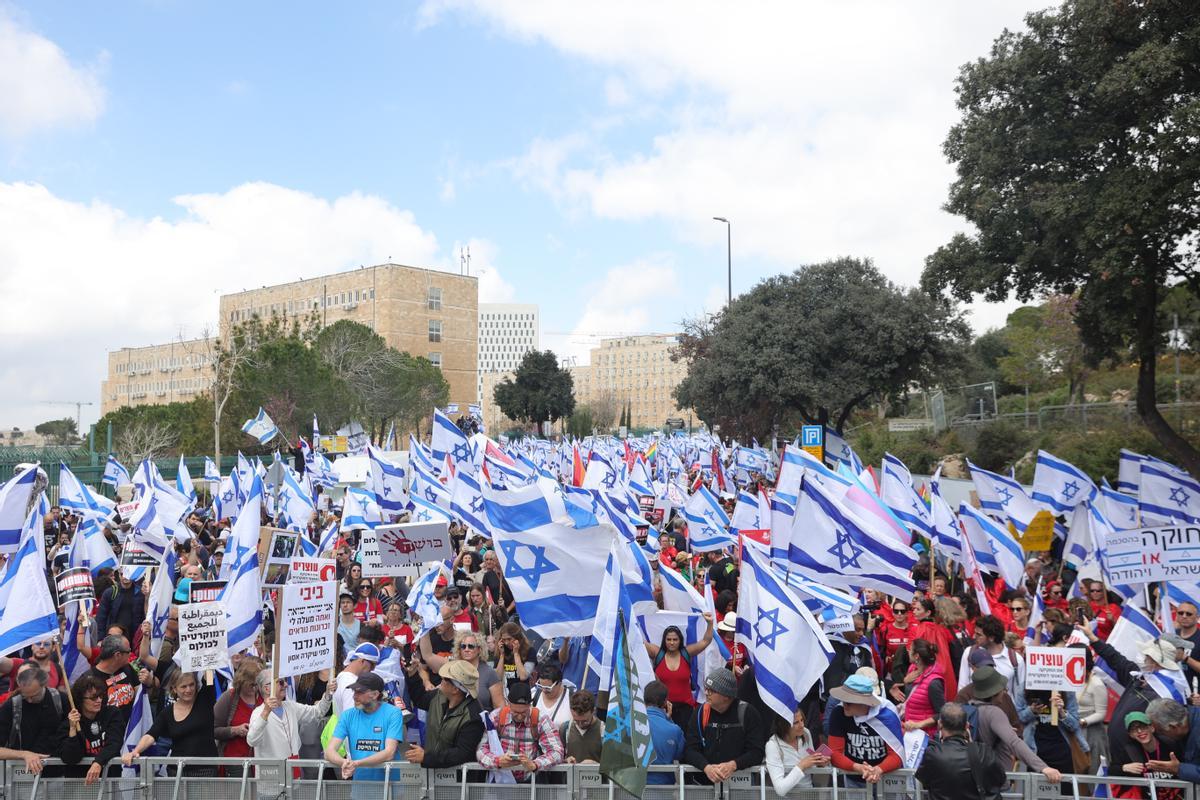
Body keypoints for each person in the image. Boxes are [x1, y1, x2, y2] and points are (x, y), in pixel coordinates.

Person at [1079, 624, 1190, 777]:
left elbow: (1168, 734)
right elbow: (1117, 660)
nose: (1143, 658)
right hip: (1120, 756)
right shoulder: (1139, 678)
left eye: (1147, 656)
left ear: (1155, 661)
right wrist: (1093, 638)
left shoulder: (1166, 694)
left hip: (1141, 764)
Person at [965, 665, 1062, 783]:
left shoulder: (969, 708)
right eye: (1003, 688)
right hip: (993, 780)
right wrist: (1043, 767)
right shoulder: (994, 713)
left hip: (974, 776)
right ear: (994, 692)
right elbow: (1014, 742)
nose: (1005, 690)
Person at [246, 668, 334, 797]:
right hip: (271, 783)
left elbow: (317, 712)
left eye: (285, 681)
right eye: (281, 682)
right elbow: (251, 740)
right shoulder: (258, 713)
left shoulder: (290, 706)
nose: (286, 685)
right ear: (266, 688)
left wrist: (327, 694)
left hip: (293, 778)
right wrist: (266, 713)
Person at [324, 672, 406, 796]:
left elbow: (389, 753)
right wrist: (344, 763)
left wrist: (356, 763)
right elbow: (329, 751)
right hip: (360, 790)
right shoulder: (348, 715)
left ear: (375, 694)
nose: (354, 697)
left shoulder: (393, 713)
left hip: (389, 789)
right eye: (354, 692)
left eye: (360, 692)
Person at [123, 671, 218, 775]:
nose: (188, 690)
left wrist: (206, 659)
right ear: (174, 688)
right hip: (177, 770)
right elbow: (151, 735)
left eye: (192, 685)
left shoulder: (205, 699)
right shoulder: (167, 712)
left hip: (205, 770)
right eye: (183, 686)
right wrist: (135, 751)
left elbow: (209, 677)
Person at [683, 668, 766, 785]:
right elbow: (690, 749)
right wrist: (706, 767)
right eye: (706, 689)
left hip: (740, 785)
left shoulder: (748, 713)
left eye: (711, 690)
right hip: (705, 785)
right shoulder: (700, 712)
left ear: (726, 696)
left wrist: (733, 765)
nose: (706, 693)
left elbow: (757, 752)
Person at [475, 681, 565, 782]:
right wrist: (497, 761)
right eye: (515, 712)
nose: (519, 716)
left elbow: (557, 752)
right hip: (501, 780)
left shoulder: (541, 719)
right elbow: (481, 749)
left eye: (524, 712)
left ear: (530, 705)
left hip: (530, 780)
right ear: (508, 704)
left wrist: (535, 764)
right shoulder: (496, 717)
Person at [915, 703, 1008, 800]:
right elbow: (1000, 779)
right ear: (967, 725)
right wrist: (972, 745)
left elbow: (924, 781)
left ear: (940, 724)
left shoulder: (933, 754)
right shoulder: (985, 752)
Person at [404, 660, 484, 769]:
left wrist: (426, 757)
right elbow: (420, 699)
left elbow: (462, 753)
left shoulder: (473, 715)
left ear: (456, 689)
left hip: (459, 780)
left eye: (445, 679)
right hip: (434, 775)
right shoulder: (438, 696)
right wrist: (412, 675)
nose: (441, 680)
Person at [826, 674, 901, 786]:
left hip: (887, 779)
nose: (844, 705)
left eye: (849, 701)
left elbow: (897, 754)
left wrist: (879, 769)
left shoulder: (887, 714)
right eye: (843, 700)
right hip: (854, 779)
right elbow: (834, 752)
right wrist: (857, 768)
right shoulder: (838, 713)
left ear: (865, 702)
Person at [646, 617, 714, 729]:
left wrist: (710, 623)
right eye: (668, 639)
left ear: (680, 640)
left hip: (686, 708)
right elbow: (639, 641)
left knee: (686, 739)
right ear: (664, 640)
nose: (671, 642)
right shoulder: (657, 653)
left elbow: (706, 641)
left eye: (675, 639)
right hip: (662, 708)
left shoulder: (686, 653)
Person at [59, 673, 124, 783]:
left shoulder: (112, 713)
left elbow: (114, 743)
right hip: (80, 783)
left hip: (109, 779)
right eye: (93, 697)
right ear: (80, 699)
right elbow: (70, 758)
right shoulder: (70, 721)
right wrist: (73, 730)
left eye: (100, 696)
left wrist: (98, 762)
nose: (99, 700)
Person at [1114, 711, 1184, 799]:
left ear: (1152, 728)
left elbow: (1189, 765)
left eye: (1143, 726)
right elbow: (1110, 770)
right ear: (1131, 735)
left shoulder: (1170, 744)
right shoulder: (1130, 751)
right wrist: (1123, 768)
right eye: (1134, 729)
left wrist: (1179, 767)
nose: (1139, 731)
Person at [0, 667, 65, 760]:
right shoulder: (12, 706)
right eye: (25, 696)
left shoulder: (60, 700)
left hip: (57, 767)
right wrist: (24, 754)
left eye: (34, 696)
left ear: (44, 685)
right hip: (22, 770)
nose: (29, 701)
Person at [765, 706, 827, 796]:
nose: (802, 725)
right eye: (796, 723)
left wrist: (820, 762)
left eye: (802, 720)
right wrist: (802, 765)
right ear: (783, 725)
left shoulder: (806, 733)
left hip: (809, 794)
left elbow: (811, 757)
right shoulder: (772, 746)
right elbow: (780, 789)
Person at [958, 614, 1023, 699]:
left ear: (991, 638)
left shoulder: (1016, 660)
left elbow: (1019, 696)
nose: (974, 637)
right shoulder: (969, 653)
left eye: (979, 634)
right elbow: (962, 687)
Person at [214, 656, 265, 760]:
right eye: (251, 684)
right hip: (236, 762)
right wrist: (234, 730)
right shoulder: (228, 697)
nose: (254, 688)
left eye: (257, 684)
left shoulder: (265, 696)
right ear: (241, 680)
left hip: (262, 760)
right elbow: (213, 730)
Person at [86, 634, 141, 720]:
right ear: (117, 655)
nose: (131, 654)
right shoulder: (90, 679)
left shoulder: (128, 668)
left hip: (131, 729)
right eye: (128, 651)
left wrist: (149, 682)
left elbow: (140, 696)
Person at [901, 639, 945, 737]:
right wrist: (905, 682)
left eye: (910, 649)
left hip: (926, 736)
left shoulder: (934, 683)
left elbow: (942, 713)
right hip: (910, 732)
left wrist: (918, 724)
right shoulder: (912, 669)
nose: (908, 650)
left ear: (916, 656)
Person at [644, 681, 685, 786]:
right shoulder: (674, 730)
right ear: (665, 702)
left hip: (632, 789)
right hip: (664, 789)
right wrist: (669, 720)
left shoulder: (628, 724)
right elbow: (679, 754)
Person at [1078, 647, 1110, 774]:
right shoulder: (1071, 680)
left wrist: (1083, 721)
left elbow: (1101, 713)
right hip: (1072, 729)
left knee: (1093, 768)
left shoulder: (1097, 683)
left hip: (1091, 731)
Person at [96, 572, 145, 641]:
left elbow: (144, 615)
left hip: (133, 636)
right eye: (122, 574)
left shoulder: (140, 593)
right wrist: (100, 639)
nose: (125, 577)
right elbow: (101, 617)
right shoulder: (110, 592)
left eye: (128, 573)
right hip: (114, 635)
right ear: (119, 575)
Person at [335, 643, 381, 716]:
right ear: (363, 661)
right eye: (372, 665)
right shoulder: (351, 682)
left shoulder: (341, 675)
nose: (373, 669)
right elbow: (351, 717)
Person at [559, 690, 602, 764]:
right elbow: (557, 760)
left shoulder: (604, 731)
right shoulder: (565, 729)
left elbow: (613, 766)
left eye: (585, 721)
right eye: (576, 721)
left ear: (593, 711)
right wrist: (565, 761)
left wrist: (596, 764)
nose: (580, 724)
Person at [494, 622, 533, 693]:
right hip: (505, 693)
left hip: (522, 694)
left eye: (509, 639)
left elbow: (523, 676)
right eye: (504, 640)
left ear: (517, 637)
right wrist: (502, 655)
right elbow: (498, 677)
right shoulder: (500, 650)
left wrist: (516, 653)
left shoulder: (529, 650)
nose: (506, 643)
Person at [532, 660, 573, 728]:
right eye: (541, 686)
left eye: (548, 688)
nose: (544, 690)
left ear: (559, 684)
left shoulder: (571, 699)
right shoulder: (534, 695)